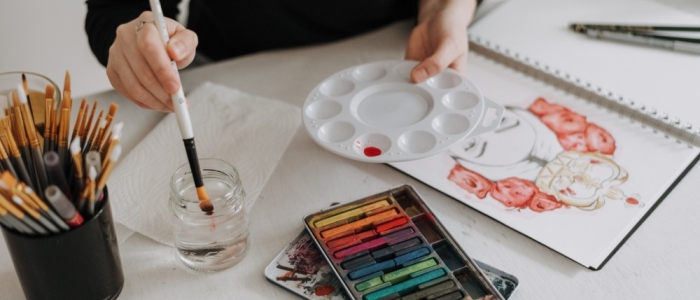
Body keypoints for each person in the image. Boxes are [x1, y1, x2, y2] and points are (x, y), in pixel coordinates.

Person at [85, 0, 480, 112]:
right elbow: (114, 9)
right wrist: (138, 35)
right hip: (233, 73)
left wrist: (445, 8)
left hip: (396, 49)